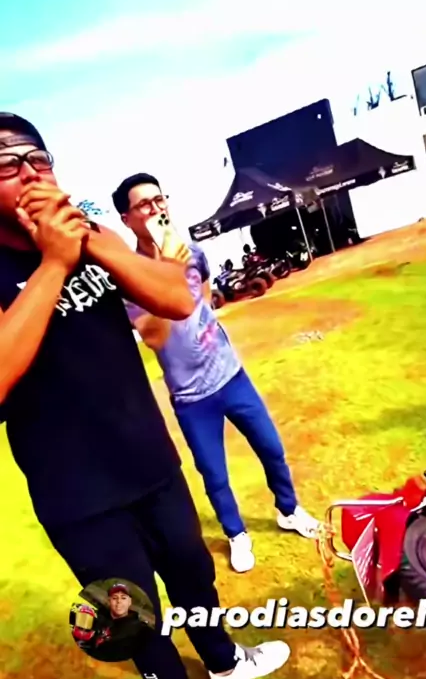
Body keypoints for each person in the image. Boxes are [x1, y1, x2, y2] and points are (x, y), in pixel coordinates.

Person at [0, 113, 290, 679]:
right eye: (9, 166)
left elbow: (176, 300)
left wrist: (90, 244)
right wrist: (53, 263)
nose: (32, 175)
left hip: (149, 459)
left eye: (39, 160)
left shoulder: (89, 234)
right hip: (76, 494)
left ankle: (224, 662)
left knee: (193, 571)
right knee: (130, 609)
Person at [112, 173, 319, 574]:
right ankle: (237, 534)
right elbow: (153, 335)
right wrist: (168, 273)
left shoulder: (191, 251)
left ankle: (289, 510)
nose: (156, 209)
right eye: (144, 205)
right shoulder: (131, 276)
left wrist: (197, 307)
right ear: (127, 219)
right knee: (214, 474)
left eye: (159, 199)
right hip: (192, 398)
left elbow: (205, 294)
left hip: (231, 374)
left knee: (271, 448)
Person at [70, 583, 152, 662]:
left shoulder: (136, 629)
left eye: (123, 598)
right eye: (115, 598)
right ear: (109, 601)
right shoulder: (101, 617)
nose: (119, 601)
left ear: (129, 602)